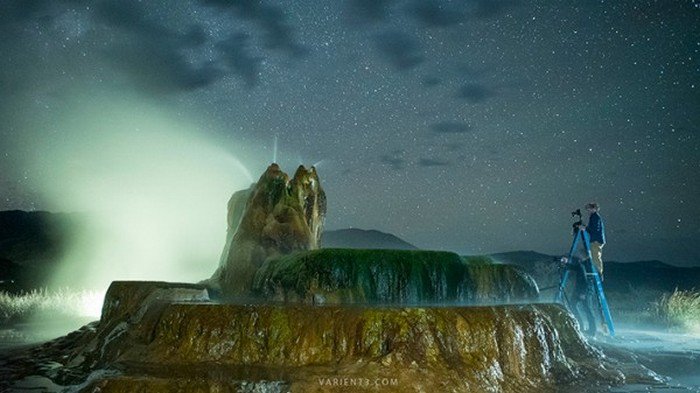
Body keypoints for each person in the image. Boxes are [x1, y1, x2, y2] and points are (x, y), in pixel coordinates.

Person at [581, 202, 606, 278]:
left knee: (595, 256)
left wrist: (585, 228)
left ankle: (598, 272)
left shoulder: (595, 217)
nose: (588, 211)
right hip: (595, 239)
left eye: (589, 209)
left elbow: (595, 229)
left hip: (596, 240)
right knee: (593, 255)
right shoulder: (593, 217)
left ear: (594, 209)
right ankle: (596, 271)